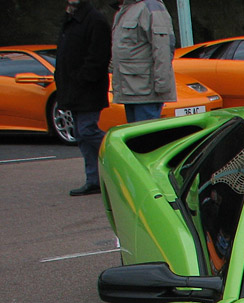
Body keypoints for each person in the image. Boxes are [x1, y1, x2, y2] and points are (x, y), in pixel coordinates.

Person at [55, 0, 111, 196]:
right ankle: (93, 179)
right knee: (80, 135)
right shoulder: (70, 20)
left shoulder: (94, 20)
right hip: (74, 89)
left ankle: (118, 152)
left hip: (88, 89)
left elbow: (99, 57)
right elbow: (65, 56)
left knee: (87, 130)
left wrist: (82, 79)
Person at [110, 0, 175, 123]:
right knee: (137, 139)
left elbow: (163, 50)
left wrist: (161, 87)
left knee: (147, 140)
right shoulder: (126, 9)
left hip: (146, 93)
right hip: (131, 91)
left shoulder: (151, 7)